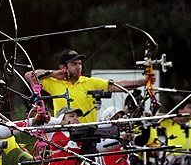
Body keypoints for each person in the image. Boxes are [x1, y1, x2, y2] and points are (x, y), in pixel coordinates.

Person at [24, 49, 154, 123]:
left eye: (80, 63)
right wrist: (55, 73)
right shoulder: (54, 83)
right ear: (63, 67)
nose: (79, 67)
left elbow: (117, 85)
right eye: (74, 64)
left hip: (88, 134)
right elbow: (29, 75)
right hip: (64, 132)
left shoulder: (89, 82)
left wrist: (143, 81)